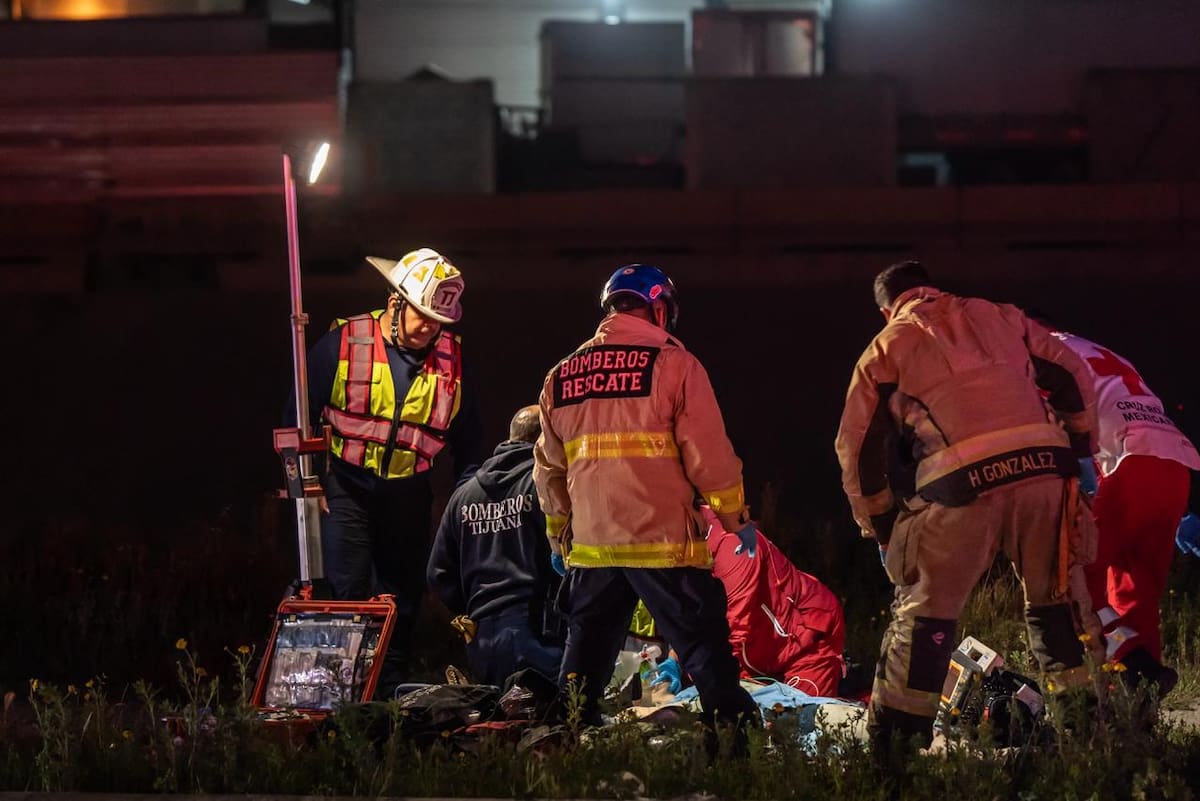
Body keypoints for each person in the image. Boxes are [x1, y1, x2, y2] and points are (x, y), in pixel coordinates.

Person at [834, 261, 1104, 758]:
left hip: (959, 486)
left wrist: (881, 525)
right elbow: (1070, 371)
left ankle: (894, 755)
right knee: (1058, 604)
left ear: (884, 309)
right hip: (1044, 472)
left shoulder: (887, 345)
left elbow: (857, 447)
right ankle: (1087, 737)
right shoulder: (1000, 315)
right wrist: (1081, 449)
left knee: (925, 617)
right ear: (933, 287)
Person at [533, 263, 759, 741]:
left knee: (584, 661)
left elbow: (549, 470)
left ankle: (563, 748)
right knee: (705, 651)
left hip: (593, 547)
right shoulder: (675, 364)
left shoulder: (561, 375)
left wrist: (559, 535)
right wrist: (735, 518)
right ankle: (738, 749)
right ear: (659, 308)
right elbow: (710, 457)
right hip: (662, 542)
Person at [296, 247, 483, 696]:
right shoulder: (343, 343)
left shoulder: (451, 363)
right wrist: (309, 483)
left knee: (402, 598)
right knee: (348, 593)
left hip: (408, 494)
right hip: (346, 488)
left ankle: (389, 696)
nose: (430, 327)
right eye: (422, 315)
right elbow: (297, 416)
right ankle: (343, 696)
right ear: (396, 302)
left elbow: (469, 443)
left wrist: (463, 501)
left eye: (439, 320)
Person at [1035, 324, 1199, 694]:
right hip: (1174, 463)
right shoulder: (1094, 349)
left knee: (1077, 578)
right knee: (1133, 590)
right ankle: (1140, 706)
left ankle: (1133, 662)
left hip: (1130, 463)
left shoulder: (1041, 351)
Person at [427, 405, 566, 686]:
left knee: (496, 722)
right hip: (540, 633)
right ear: (544, 439)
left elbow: (438, 575)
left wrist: (473, 610)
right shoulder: (544, 487)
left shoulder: (463, 495)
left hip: (482, 639)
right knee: (551, 722)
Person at [653, 506, 846, 697]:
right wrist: (675, 658)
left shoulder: (734, 543)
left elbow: (736, 626)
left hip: (806, 639)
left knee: (802, 720)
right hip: (755, 647)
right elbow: (694, 613)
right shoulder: (676, 538)